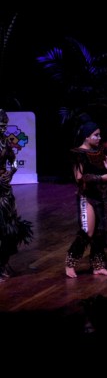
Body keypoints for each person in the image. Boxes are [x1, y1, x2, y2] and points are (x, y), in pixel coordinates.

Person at [65, 121, 107, 278]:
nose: (99, 138)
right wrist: (101, 178)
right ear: (86, 136)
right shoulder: (78, 154)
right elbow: (79, 178)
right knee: (88, 231)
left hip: (103, 196)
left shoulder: (99, 152)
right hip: (88, 196)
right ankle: (70, 263)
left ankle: (98, 266)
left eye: (99, 135)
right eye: (95, 135)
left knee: (100, 232)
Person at [0, 109, 32, 279]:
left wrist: (10, 173)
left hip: (4, 189)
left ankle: (3, 263)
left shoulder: (5, 142)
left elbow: (13, 162)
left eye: (4, 126)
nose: (3, 128)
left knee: (9, 227)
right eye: (0, 125)